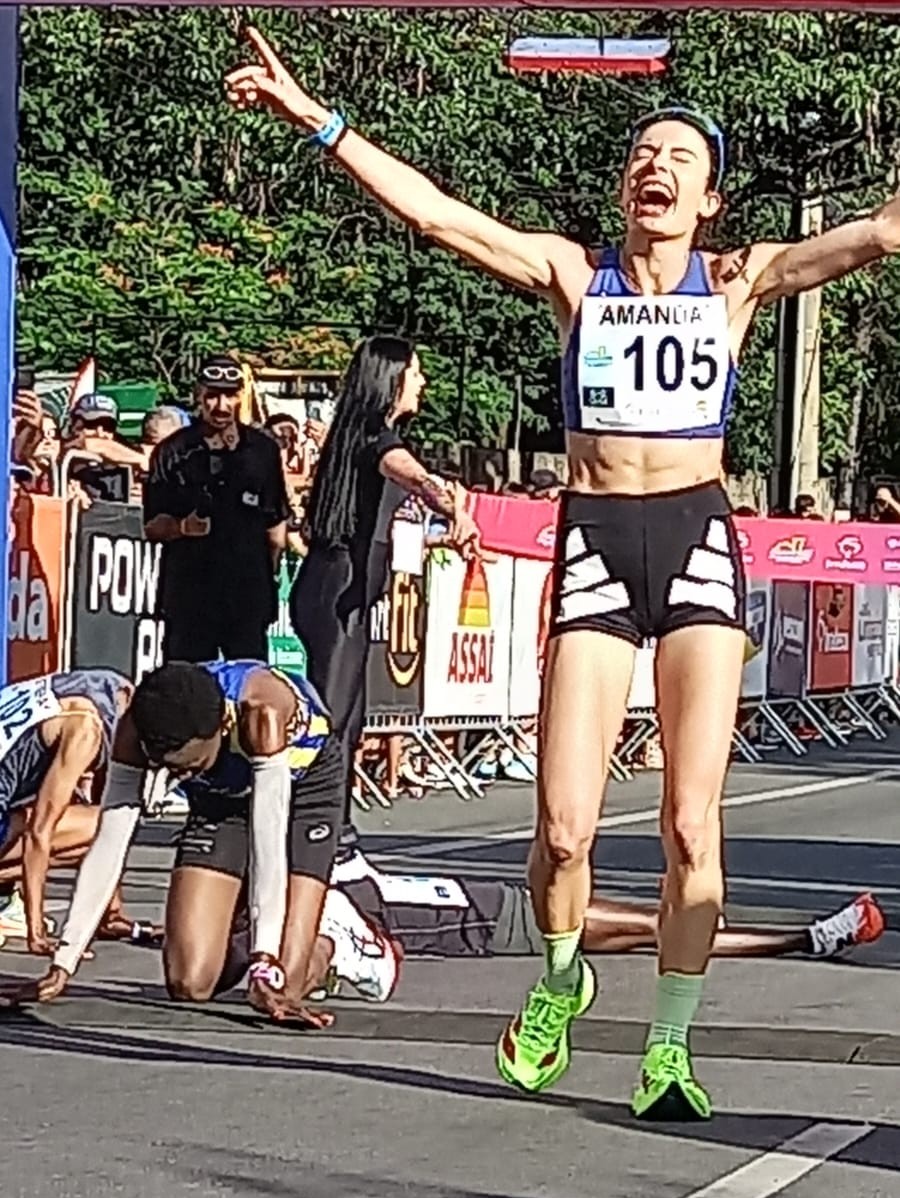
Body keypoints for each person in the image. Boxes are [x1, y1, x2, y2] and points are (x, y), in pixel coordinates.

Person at [226, 29, 900, 1119]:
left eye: (679, 156)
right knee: (565, 829)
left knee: (690, 825)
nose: (656, 165)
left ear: (711, 199)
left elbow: (880, 232)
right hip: (593, 539)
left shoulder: (739, 282)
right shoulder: (570, 273)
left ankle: (670, 1047)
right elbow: (439, 217)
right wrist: (317, 119)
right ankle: (560, 978)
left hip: (695, 541)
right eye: (644, 151)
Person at [13, 661, 344, 1024]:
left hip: (303, 789)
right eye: (167, 768)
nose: (176, 776)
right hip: (220, 798)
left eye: (188, 768)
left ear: (223, 727)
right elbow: (109, 843)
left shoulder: (261, 715)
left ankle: (338, 936)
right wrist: (64, 962)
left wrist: (264, 965)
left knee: (284, 986)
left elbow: (269, 850)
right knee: (189, 983)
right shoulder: (136, 727)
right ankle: (241, 918)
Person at [288, 333, 480, 861]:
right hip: (335, 589)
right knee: (334, 716)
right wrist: (451, 508)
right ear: (391, 378)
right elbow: (413, 475)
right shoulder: (374, 436)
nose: (422, 382)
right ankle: (314, 826)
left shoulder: (365, 436)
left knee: (353, 717)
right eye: (415, 372)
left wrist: (442, 536)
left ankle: (331, 822)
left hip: (347, 587)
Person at [216, 860, 886, 1007]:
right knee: (662, 930)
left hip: (491, 901)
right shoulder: (321, 912)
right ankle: (811, 939)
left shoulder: (314, 881)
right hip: (494, 922)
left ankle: (813, 937)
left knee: (660, 930)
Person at [143, 356, 290, 662]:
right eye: (212, 395)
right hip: (190, 596)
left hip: (246, 596)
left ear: (241, 396)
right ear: (198, 394)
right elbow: (151, 525)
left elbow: (275, 525)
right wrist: (183, 527)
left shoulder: (264, 450)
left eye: (230, 395)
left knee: (250, 686)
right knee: (186, 691)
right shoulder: (172, 451)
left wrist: (269, 573)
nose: (221, 405)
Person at [0, 670, 148, 950]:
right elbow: (39, 833)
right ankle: (11, 909)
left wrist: (112, 914)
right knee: (100, 826)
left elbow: (105, 797)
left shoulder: (96, 688)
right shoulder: (86, 730)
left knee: (90, 813)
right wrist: (37, 931)